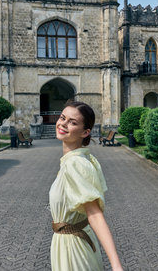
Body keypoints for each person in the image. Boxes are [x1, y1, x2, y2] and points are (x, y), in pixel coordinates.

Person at [49, 101, 123, 271]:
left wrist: (116, 265)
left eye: (72, 122)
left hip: (73, 250)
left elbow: (94, 214)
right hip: (69, 243)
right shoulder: (76, 160)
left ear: (85, 132)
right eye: (62, 118)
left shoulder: (75, 163)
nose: (63, 124)